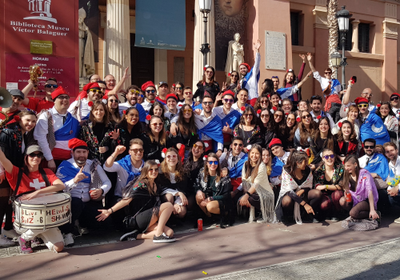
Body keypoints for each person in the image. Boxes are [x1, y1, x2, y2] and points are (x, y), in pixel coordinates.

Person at [0, 145, 65, 253]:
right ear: (26, 157)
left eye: (39, 155)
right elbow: (3, 159)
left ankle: (35, 237)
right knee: (41, 220)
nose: (36, 158)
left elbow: (60, 186)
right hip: (26, 219)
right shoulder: (16, 172)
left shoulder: (46, 172)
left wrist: (38, 192)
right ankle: (25, 238)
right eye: (32, 155)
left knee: (59, 247)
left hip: (46, 218)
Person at [97, 160, 176, 243]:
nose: (154, 172)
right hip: (138, 219)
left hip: (149, 217)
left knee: (169, 233)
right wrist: (109, 210)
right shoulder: (141, 184)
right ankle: (158, 235)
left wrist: (179, 193)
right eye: (151, 170)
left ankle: (136, 236)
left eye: (156, 169)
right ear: (145, 171)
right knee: (168, 205)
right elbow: (126, 200)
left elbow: (165, 190)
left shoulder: (155, 184)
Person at [57, 138, 111, 246]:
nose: (81, 155)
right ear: (72, 153)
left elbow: (107, 182)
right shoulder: (64, 166)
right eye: (78, 152)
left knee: (106, 224)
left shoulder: (93, 165)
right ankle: (67, 232)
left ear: (87, 153)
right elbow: (60, 188)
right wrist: (75, 180)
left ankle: (81, 224)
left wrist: (101, 190)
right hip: (71, 204)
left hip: (88, 202)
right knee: (76, 203)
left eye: (84, 152)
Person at [0, 110, 37, 245]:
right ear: (19, 119)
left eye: (33, 121)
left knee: (9, 201)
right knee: (2, 203)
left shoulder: (23, 134)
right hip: (4, 173)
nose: (30, 123)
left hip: (13, 172)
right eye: (27, 120)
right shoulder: (7, 133)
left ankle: (8, 228)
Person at [34, 86, 80, 170]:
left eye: (66, 97)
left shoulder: (73, 118)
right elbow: (40, 138)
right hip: (50, 160)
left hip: (69, 160)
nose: (65, 100)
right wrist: (50, 159)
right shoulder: (46, 116)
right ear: (54, 100)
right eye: (61, 97)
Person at [275, 150, 321, 224]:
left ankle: (306, 215)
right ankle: (289, 216)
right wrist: (305, 204)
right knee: (287, 200)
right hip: (290, 195)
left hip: (303, 195)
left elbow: (309, 185)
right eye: (305, 162)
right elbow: (289, 191)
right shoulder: (287, 170)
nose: (307, 163)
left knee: (317, 193)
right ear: (297, 163)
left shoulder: (307, 170)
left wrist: (303, 190)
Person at [238, 144, 275, 223]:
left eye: (257, 153)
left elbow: (256, 184)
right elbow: (244, 181)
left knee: (251, 198)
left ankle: (265, 214)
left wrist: (247, 195)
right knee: (239, 201)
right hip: (251, 192)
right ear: (249, 153)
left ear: (260, 155)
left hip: (264, 193)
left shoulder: (262, 166)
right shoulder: (246, 164)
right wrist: (246, 195)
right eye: (252, 153)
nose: (254, 155)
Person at [195, 153, 232, 227]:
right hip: (208, 197)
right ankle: (210, 217)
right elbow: (197, 185)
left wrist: (211, 198)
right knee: (198, 197)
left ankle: (225, 215)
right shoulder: (202, 172)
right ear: (207, 163)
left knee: (210, 206)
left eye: (215, 162)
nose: (213, 164)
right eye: (210, 162)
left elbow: (226, 195)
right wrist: (199, 191)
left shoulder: (223, 175)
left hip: (221, 200)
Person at [339, 155, 380, 221]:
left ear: (355, 164)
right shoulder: (347, 174)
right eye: (345, 166)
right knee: (342, 201)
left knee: (353, 213)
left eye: (348, 166)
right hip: (355, 198)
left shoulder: (365, 174)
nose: (346, 168)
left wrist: (372, 209)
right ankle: (355, 214)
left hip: (365, 199)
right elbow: (347, 188)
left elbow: (370, 191)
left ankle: (374, 213)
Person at [307, 53, 342, 117]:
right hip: (329, 101)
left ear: (331, 73)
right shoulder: (322, 80)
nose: (328, 74)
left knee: (337, 120)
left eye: (329, 73)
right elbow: (314, 71)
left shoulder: (336, 81)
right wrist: (309, 61)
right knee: (329, 118)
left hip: (338, 102)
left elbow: (339, 92)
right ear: (324, 74)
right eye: (326, 73)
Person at [313, 149, 344, 220]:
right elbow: (316, 186)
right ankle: (324, 214)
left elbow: (341, 186)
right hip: (324, 194)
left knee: (337, 195)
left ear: (335, 157)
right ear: (323, 158)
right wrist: (328, 187)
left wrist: (325, 186)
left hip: (337, 193)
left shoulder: (340, 168)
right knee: (324, 205)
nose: (329, 158)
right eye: (326, 156)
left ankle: (336, 214)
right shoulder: (318, 171)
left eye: (332, 156)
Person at [158, 148, 189, 219]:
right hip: (165, 198)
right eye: (168, 156)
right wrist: (178, 193)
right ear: (165, 159)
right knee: (169, 197)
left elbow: (183, 189)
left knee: (182, 212)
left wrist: (176, 203)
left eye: (174, 156)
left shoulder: (183, 173)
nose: (171, 158)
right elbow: (162, 188)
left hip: (178, 198)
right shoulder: (161, 172)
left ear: (178, 158)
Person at [240, 39, 262, 106]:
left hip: (253, 99)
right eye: (241, 69)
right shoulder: (241, 80)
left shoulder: (252, 75)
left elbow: (257, 64)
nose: (242, 70)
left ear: (248, 69)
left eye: (244, 68)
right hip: (244, 100)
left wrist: (257, 51)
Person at [383, 142, 400, 223]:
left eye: (392, 150)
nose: (390, 153)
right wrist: (391, 190)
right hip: (396, 187)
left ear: (396, 150)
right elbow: (392, 181)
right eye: (387, 151)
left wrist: (397, 188)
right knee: (389, 196)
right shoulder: (389, 164)